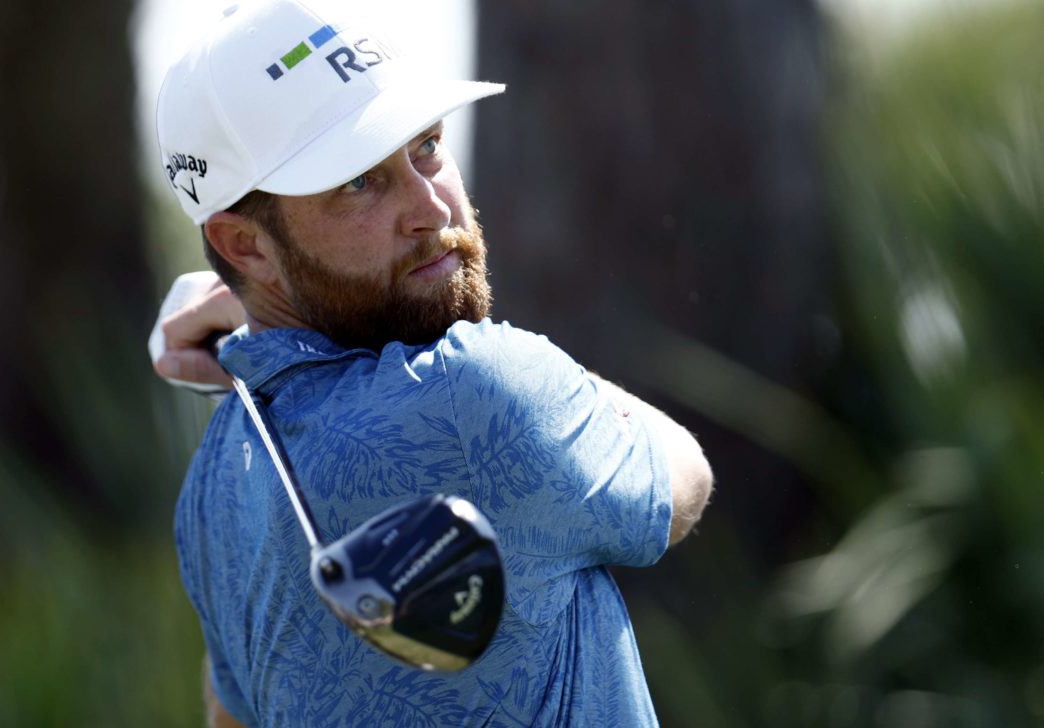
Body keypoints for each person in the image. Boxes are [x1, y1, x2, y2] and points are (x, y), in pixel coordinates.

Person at [152, 1, 713, 725]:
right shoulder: (476, 388)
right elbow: (685, 474)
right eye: (358, 181)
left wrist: (252, 328)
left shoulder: (216, 481)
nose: (428, 205)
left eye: (426, 144)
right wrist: (543, 372)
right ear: (246, 246)